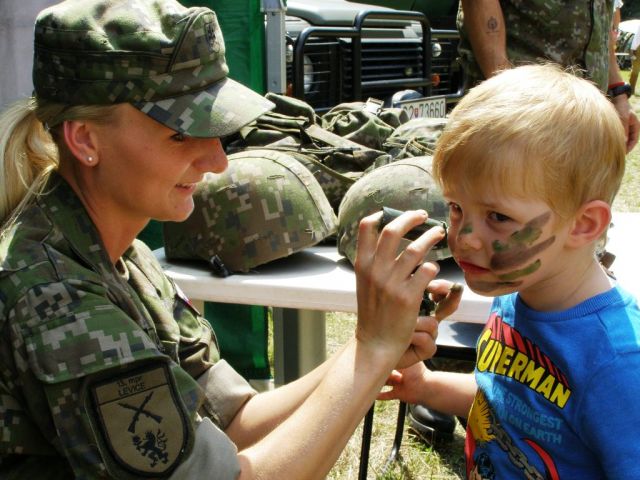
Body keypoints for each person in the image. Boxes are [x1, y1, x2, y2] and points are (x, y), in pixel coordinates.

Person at [0, 0, 459, 478]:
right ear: (85, 139)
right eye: (180, 135)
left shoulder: (122, 256)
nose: (217, 161)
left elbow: (234, 420)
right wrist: (371, 352)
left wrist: (372, 345)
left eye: (214, 129)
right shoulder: (55, 298)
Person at [378, 64, 640, 478]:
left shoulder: (618, 364)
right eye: (457, 207)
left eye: (498, 217)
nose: (464, 238)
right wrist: (425, 386)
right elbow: (507, 405)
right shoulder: (521, 294)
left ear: (583, 225)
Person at [457, 0, 639, 153]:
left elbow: (600, 21)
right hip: (522, 110)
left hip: (590, 115)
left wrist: (617, 92)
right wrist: (505, 94)